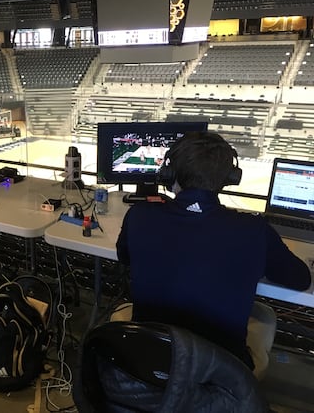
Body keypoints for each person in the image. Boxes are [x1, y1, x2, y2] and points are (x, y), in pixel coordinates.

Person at [112, 131, 311, 380]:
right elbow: (300, 279)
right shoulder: (254, 230)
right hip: (218, 376)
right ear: (230, 178)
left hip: (149, 360)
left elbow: (125, 257)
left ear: (169, 174)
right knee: (265, 316)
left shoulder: (139, 215)